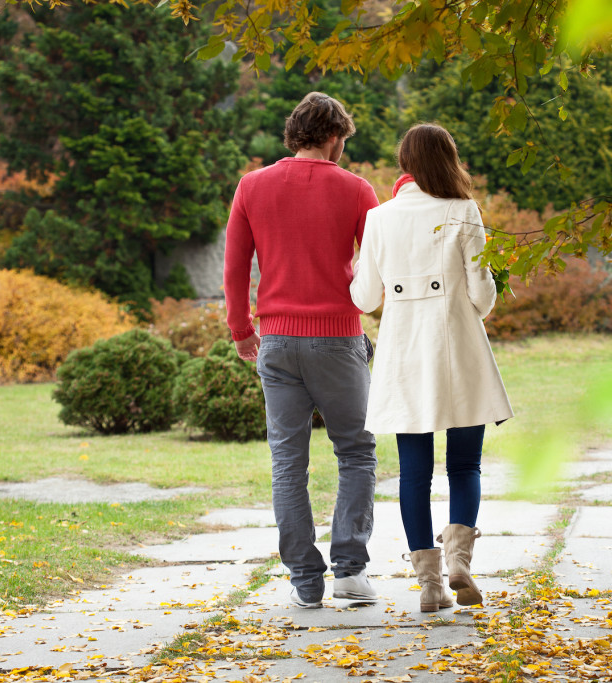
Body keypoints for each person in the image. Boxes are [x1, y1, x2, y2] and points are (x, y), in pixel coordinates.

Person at [223, 92, 380, 609]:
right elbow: (376, 266)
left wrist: (242, 329)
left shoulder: (252, 186)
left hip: (276, 340)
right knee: (355, 450)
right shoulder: (356, 190)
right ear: (334, 137)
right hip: (337, 337)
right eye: (343, 142)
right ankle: (350, 571)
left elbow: (235, 266)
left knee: (287, 462)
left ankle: (304, 581)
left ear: (295, 134)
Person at [349, 123, 513, 612]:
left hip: (405, 354)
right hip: (458, 348)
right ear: (448, 159)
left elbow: (363, 298)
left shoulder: (379, 218)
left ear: (405, 163)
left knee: (413, 475)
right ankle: (460, 560)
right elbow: (482, 296)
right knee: (465, 465)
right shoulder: (464, 210)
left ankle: (430, 585)